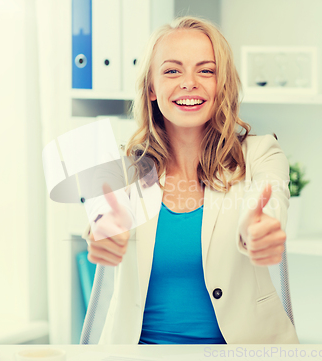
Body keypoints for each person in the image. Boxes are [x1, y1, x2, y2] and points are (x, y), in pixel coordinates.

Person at [82, 16, 299, 344]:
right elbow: (100, 218)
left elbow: (271, 200)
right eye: (172, 70)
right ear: (152, 89)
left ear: (221, 84)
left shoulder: (261, 154)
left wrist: (259, 228)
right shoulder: (123, 167)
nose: (189, 82)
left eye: (206, 70)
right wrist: (100, 233)